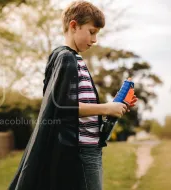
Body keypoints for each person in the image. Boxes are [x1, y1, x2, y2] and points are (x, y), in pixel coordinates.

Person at [9, 1, 138, 190]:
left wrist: (115, 108)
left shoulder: (73, 59)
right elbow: (62, 107)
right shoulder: (67, 58)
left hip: (88, 148)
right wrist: (106, 108)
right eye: (92, 31)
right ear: (74, 25)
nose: (94, 40)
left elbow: (73, 106)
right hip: (81, 152)